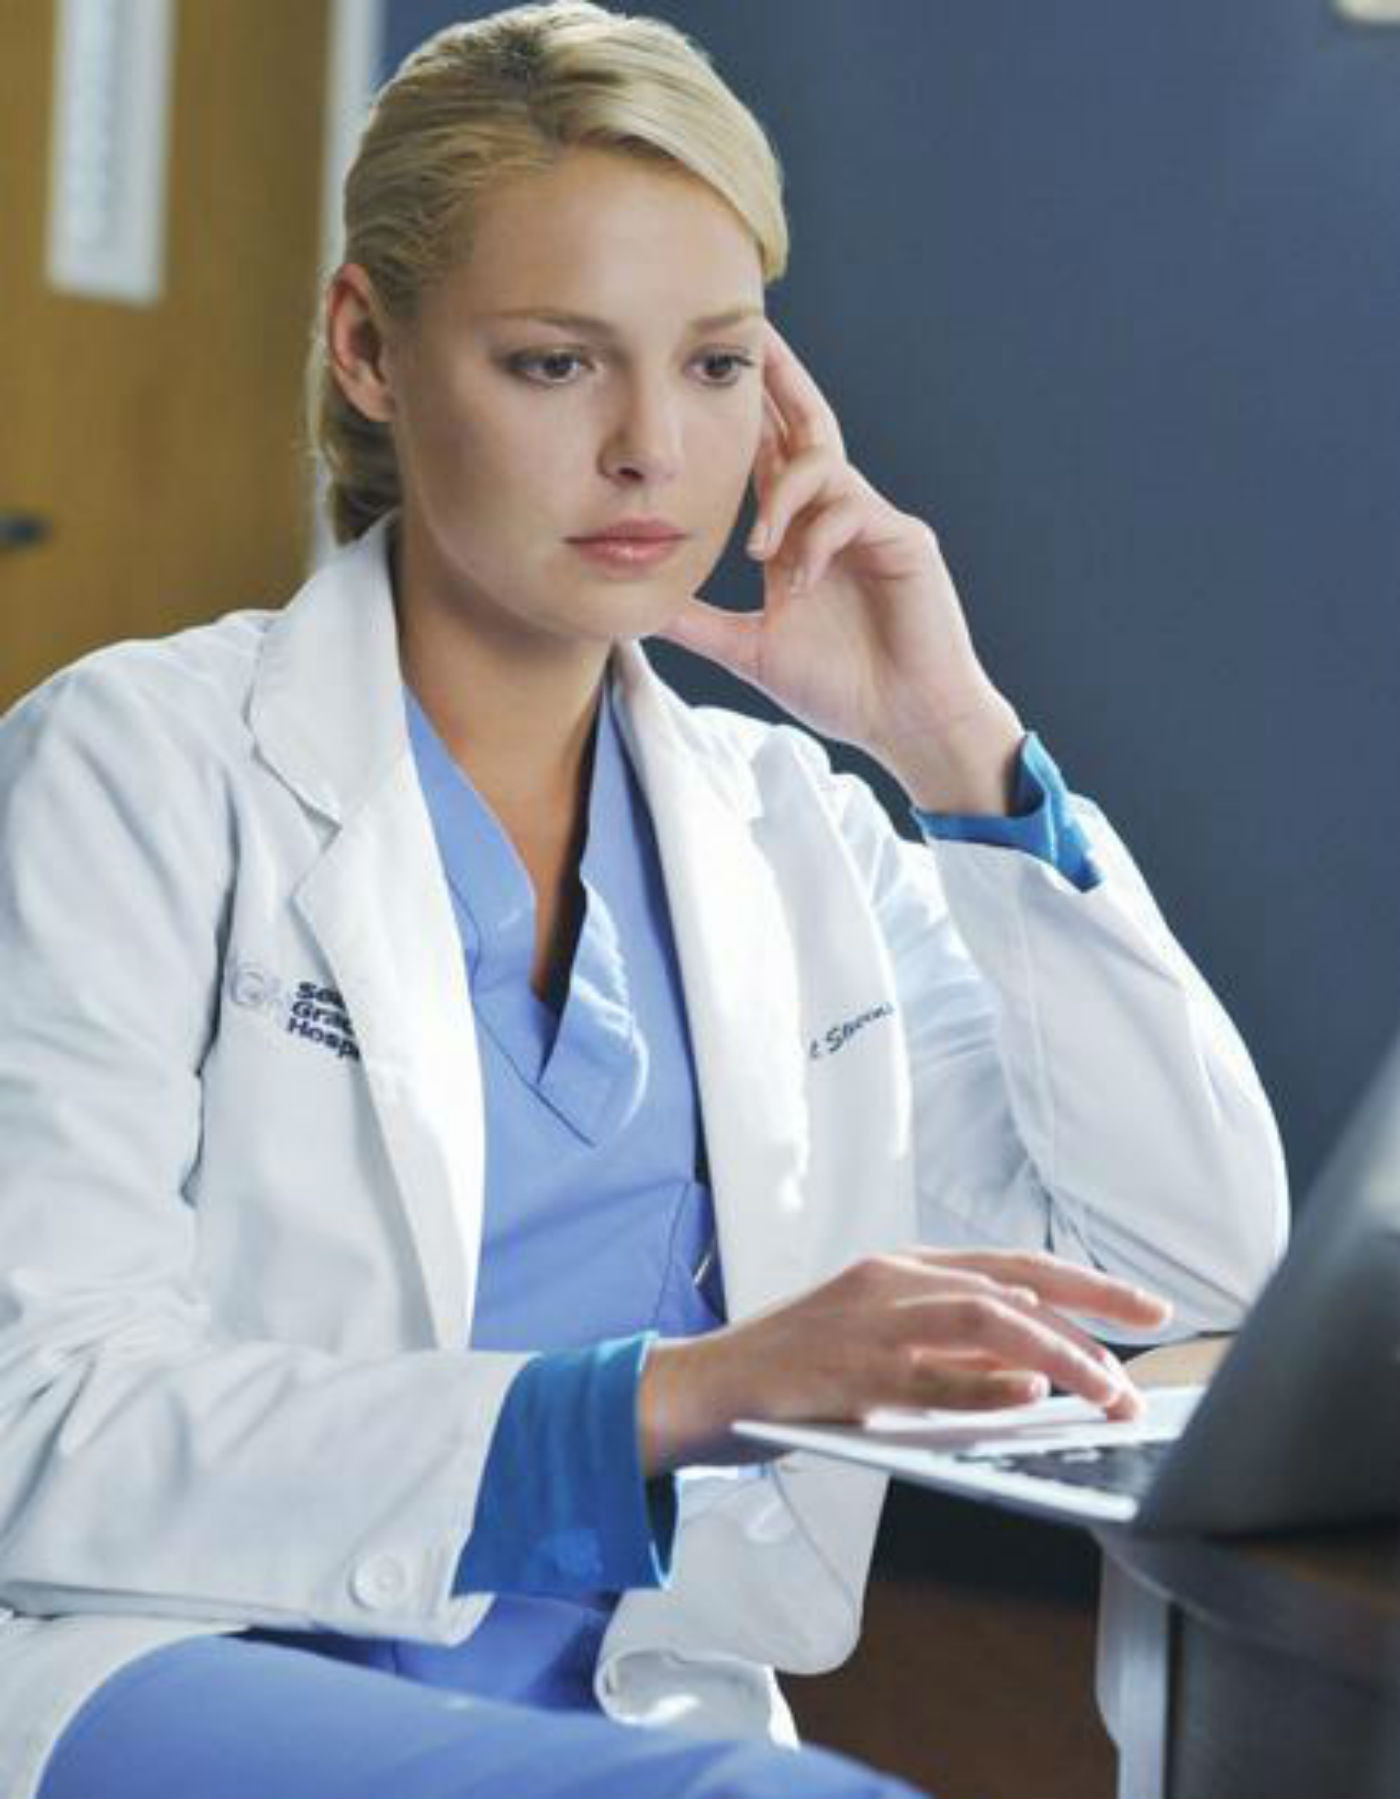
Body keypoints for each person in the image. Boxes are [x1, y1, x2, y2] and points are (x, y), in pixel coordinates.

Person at [0, 4, 1290, 1797]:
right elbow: (40, 1419)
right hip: (160, 1666)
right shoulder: (136, 766)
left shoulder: (795, 833)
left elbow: (1173, 1281)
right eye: (556, 363)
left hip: (610, 1703)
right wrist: (675, 1396)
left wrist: (956, 749)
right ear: (368, 346)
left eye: (713, 366)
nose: (649, 452)